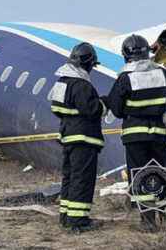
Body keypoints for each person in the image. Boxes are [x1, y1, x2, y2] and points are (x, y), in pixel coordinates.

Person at [103, 34, 166, 233]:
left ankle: (149, 222)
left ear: (126, 55)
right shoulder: (162, 74)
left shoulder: (125, 78)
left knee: (141, 176)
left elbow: (116, 109)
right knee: (161, 173)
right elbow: (165, 101)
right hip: (158, 133)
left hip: (135, 136)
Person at [48, 43, 106, 233]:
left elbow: (56, 109)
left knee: (70, 177)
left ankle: (66, 217)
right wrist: (104, 103)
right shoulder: (82, 85)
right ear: (88, 64)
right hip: (84, 139)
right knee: (82, 178)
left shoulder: (61, 82)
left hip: (67, 137)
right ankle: (78, 221)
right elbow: (93, 110)